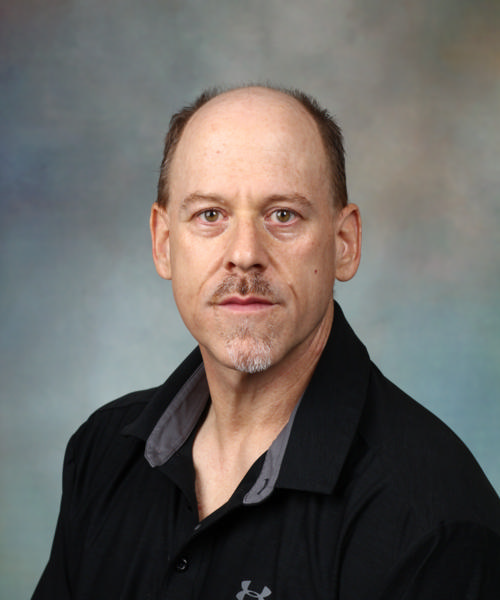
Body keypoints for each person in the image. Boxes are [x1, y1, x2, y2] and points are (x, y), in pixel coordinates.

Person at [32, 85, 500, 600]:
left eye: (283, 215)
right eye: (210, 214)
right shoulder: (102, 453)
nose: (245, 253)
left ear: (344, 243)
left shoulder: (431, 524)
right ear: (163, 243)